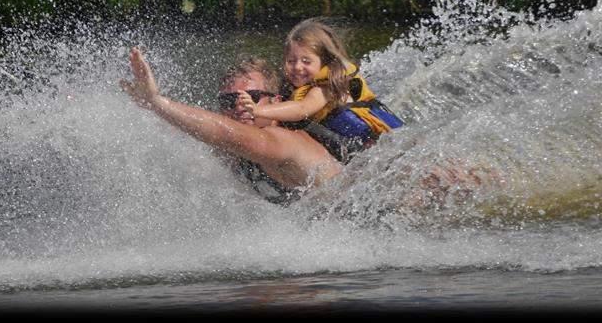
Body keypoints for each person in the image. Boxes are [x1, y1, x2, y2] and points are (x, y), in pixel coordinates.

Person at [120, 47, 342, 205]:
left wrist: (159, 103)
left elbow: (223, 133)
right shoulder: (233, 152)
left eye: (251, 96)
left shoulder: (284, 141)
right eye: (228, 101)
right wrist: (147, 107)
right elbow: (186, 135)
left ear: (276, 101)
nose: (239, 107)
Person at [238, 18, 403, 163]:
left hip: (374, 150)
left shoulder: (325, 89)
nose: (297, 67)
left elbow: (302, 109)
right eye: (291, 60)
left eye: (306, 61)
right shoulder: (297, 88)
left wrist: (259, 110)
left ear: (324, 62)